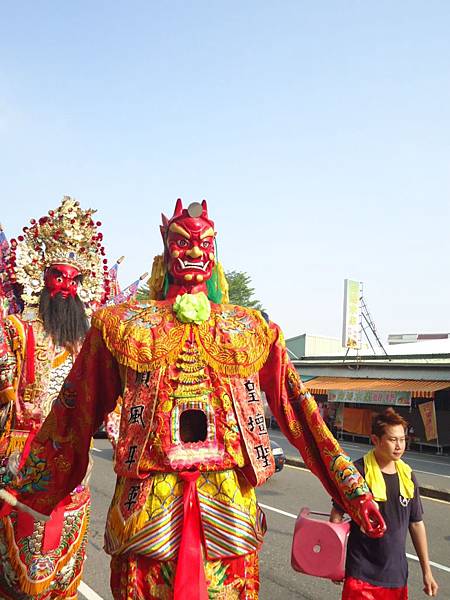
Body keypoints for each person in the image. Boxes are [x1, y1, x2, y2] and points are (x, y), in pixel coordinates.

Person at [1, 199, 386, 599]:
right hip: (148, 506)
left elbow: (301, 415)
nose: (196, 251)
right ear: (165, 252)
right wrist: (28, 492)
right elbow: (72, 414)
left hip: (228, 507)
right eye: (183, 243)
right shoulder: (123, 326)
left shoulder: (250, 329)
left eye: (205, 243)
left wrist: (352, 490)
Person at [0, 196, 111, 599]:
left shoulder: (91, 339)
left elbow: (109, 398)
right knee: (18, 571)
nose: (66, 286)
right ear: (38, 275)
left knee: (64, 565)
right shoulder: (16, 329)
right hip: (21, 460)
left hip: (74, 466)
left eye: (73, 279)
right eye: (57, 276)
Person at [330, 407, 439, 599]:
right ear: (375, 440)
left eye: (402, 439)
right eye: (392, 439)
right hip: (361, 574)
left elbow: (416, 523)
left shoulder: (408, 476)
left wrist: (427, 572)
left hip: (396, 577)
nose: (399, 445)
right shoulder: (357, 473)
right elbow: (337, 515)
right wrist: (335, 561)